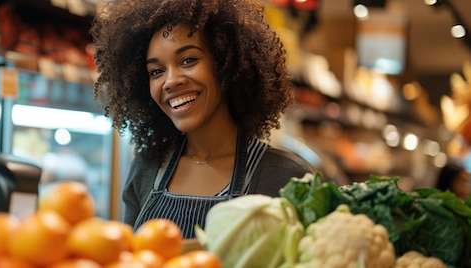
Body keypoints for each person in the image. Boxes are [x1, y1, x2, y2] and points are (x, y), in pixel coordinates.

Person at [90, 0, 315, 238]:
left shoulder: (286, 176)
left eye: (188, 60)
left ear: (226, 63)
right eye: (156, 71)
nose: (170, 81)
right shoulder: (146, 169)